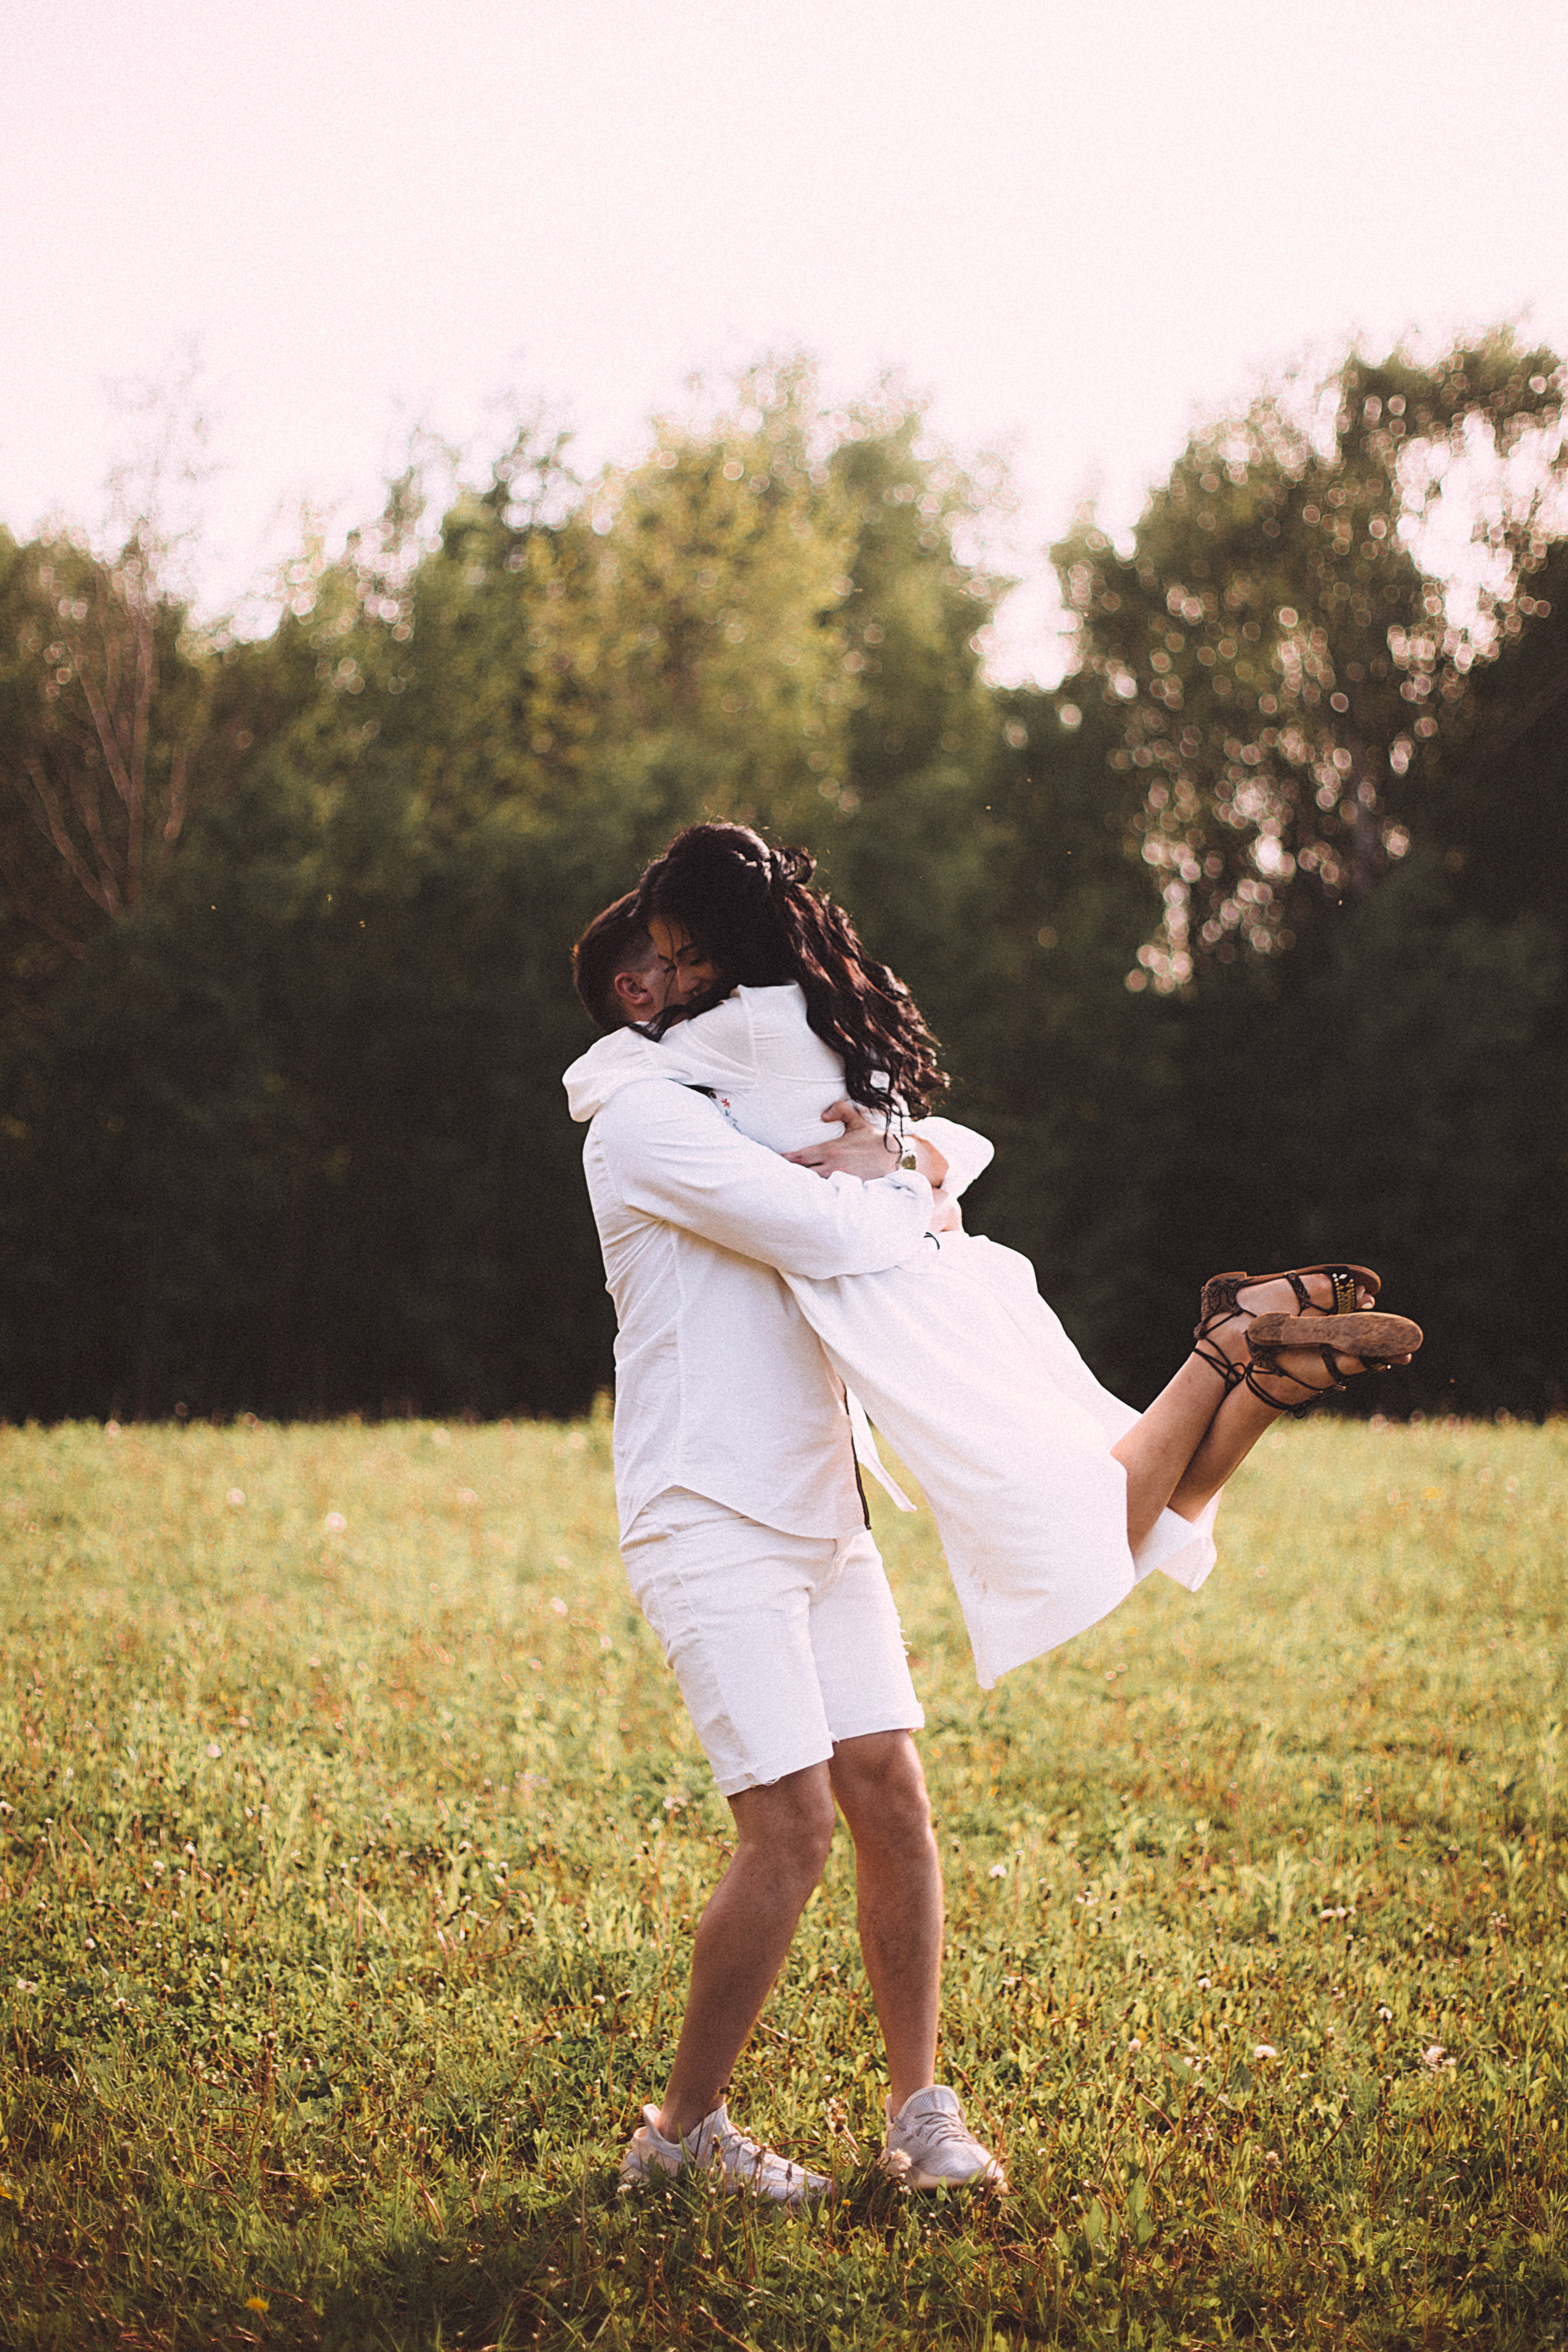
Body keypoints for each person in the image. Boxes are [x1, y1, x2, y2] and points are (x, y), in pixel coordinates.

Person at [566, 825, 1422, 1687]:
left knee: (1088, 1530)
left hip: (893, 1306)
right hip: (952, 1272)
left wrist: (905, 1180)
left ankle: (1229, 1343)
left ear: (722, 939)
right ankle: (1271, 1380)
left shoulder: (718, 1042)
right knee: (1124, 1485)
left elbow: (598, 1079)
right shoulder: (833, 1011)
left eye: (684, 960)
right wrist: (913, 1169)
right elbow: (958, 1142)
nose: (677, 985)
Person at [566, 888, 1008, 2204]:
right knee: (793, 1827)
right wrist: (902, 1184)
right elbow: (825, 1228)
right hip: (707, 1511)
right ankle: (679, 2139)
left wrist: (910, 1158)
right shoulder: (644, 1124)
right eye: (686, 959)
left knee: (889, 1792)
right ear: (641, 992)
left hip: (821, 1503)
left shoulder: (736, 1103)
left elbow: (929, 1137)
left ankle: (920, 2114)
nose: (724, 978)